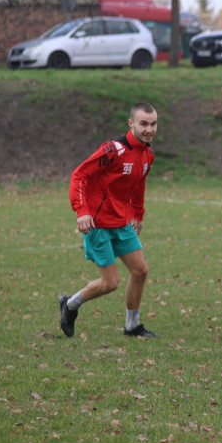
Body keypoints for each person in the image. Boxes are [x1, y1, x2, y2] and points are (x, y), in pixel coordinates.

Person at [58, 102, 159, 338]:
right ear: (131, 123)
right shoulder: (113, 150)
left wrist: (138, 213)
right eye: (143, 123)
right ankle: (70, 304)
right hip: (98, 224)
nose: (149, 129)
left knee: (140, 270)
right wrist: (82, 210)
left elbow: (138, 184)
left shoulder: (148, 155)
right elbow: (79, 174)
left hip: (122, 222)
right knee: (110, 283)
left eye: (153, 124)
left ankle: (132, 327)